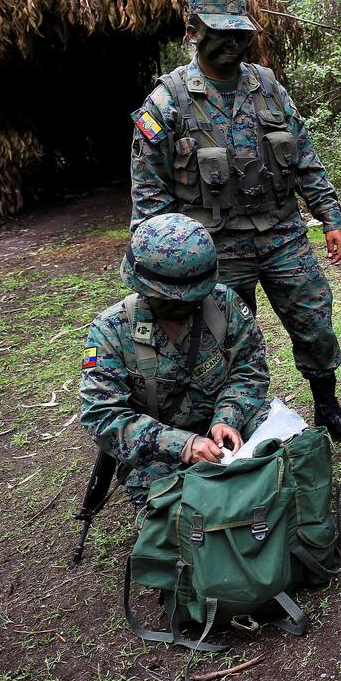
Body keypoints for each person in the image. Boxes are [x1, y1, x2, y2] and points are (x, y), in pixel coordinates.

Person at [130, 0, 341, 445]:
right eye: (218, 34)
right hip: (214, 247)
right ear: (193, 33)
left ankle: (328, 408)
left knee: (315, 325)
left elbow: (303, 155)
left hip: (282, 236)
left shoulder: (267, 86)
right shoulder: (168, 101)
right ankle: (228, 428)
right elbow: (149, 189)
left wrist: (330, 215)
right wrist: (157, 262)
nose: (230, 44)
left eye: (238, 34)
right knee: (220, 343)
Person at [80, 213, 270, 505]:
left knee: (281, 450)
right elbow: (103, 416)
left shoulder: (224, 305)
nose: (184, 304)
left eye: (193, 297)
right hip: (160, 451)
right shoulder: (111, 331)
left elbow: (249, 370)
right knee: (175, 507)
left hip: (226, 430)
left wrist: (227, 419)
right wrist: (183, 445)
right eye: (170, 299)